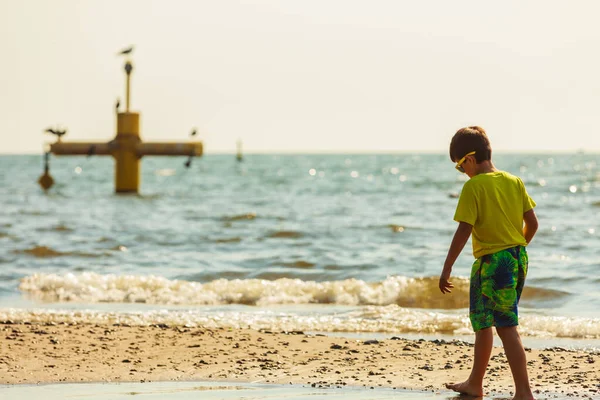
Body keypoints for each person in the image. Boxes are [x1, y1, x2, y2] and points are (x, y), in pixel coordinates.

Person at [439, 126, 538, 400]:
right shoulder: (514, 181)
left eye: (460, 167)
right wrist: (515, 249)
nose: (463, 173)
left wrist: (447, 267)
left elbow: (463, 230)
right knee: (483, 322)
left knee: (506, 326)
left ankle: (524, 392)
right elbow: (532, 223)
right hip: (516, 257)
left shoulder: (474, 186)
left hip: (491, 262)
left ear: (469, 159)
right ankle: (474, 383)